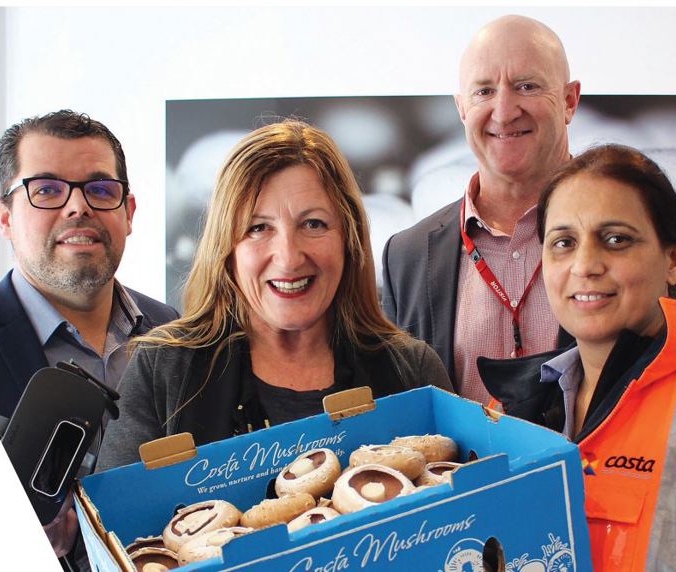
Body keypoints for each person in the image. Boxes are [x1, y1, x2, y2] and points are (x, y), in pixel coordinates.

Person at [381, 15, 676, 406]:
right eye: (483, 91)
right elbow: (405, 411)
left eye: (526, 86)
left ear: (569, 101)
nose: (503, 111)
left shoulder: (666, 227)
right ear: (461, 108)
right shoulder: (408, 256)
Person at [478, 144, 676, 570]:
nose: (585, 264)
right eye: (564, 243)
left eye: (616, 240)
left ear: (675, 260)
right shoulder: (508, 415)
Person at [96, 120, 453, 471]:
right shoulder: (162, 370)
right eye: (258, 228)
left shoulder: (412, 371)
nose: (288, 257)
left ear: (349, 239)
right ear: (227, 247)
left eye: (313, 224)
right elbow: (116, 522)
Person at [0, 110, 179, 568]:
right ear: (4, 216)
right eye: (47, 190)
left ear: (128, 213)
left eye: (100, 189)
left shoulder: (174, 332)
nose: (78, 207)